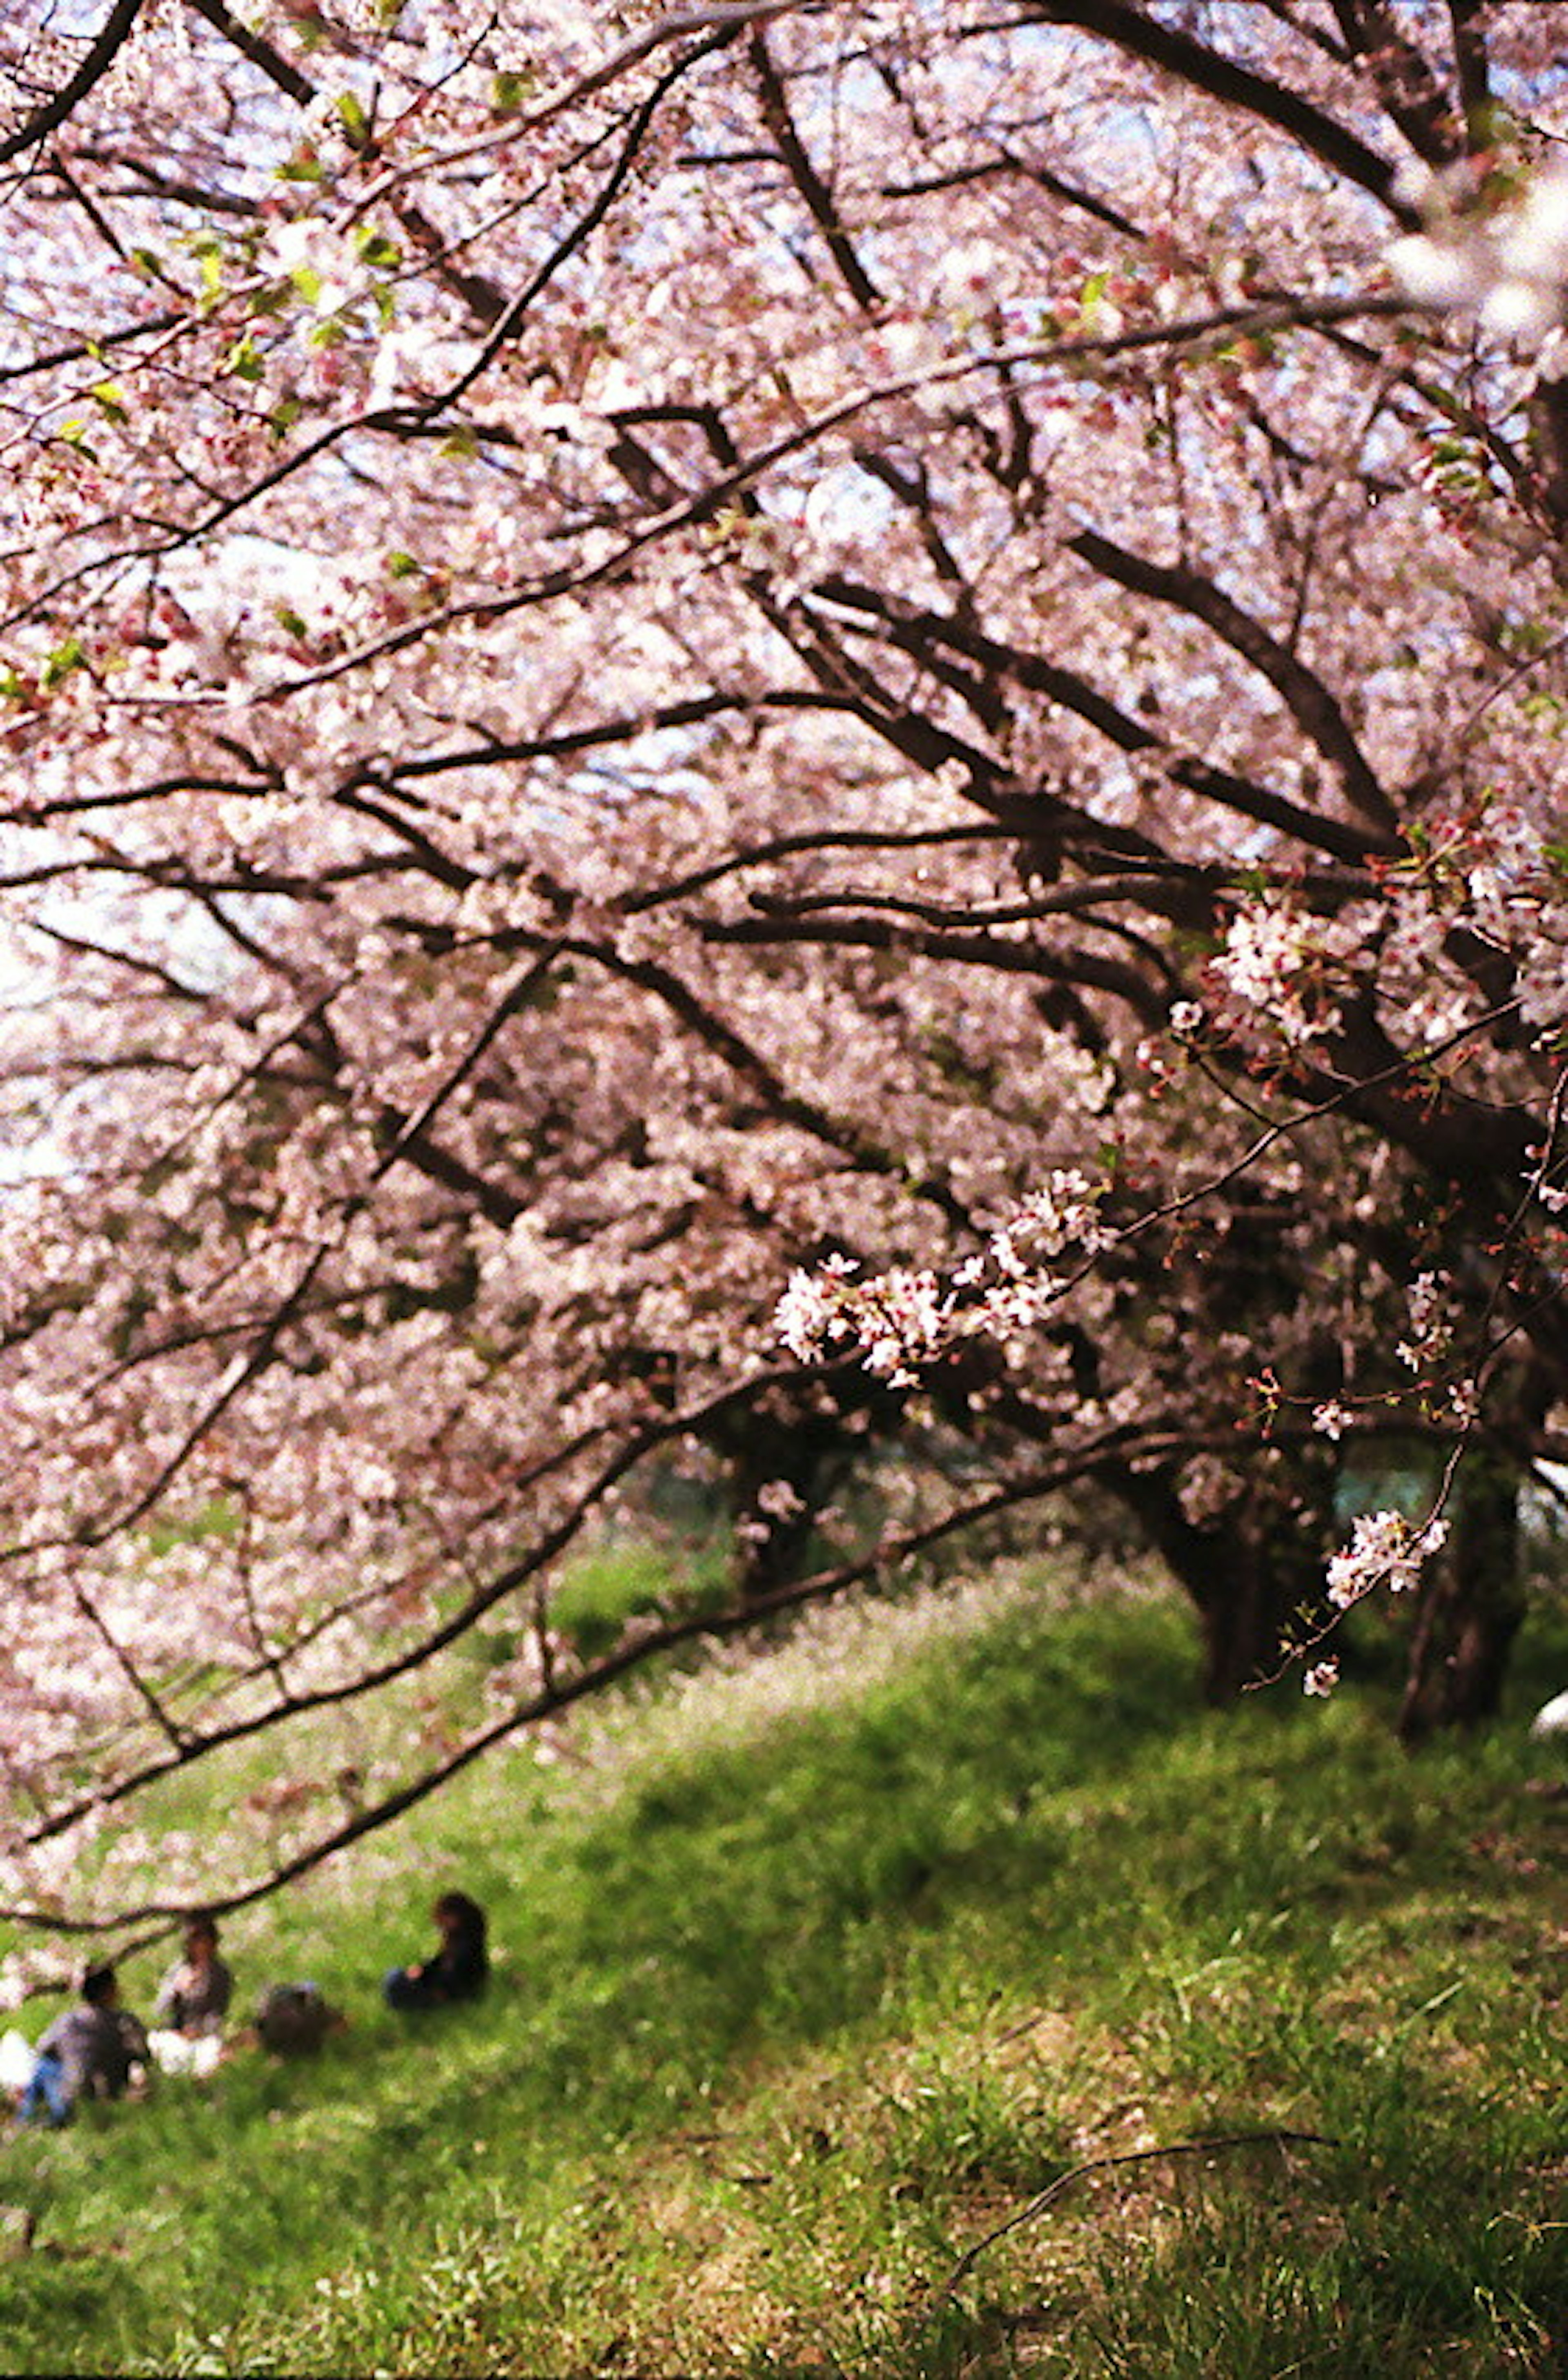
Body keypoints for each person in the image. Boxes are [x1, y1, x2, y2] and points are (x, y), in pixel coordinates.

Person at [17, 1962, 149, 2127]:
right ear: (111, 1991)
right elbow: (144, 2055)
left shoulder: (70, 2022)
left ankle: (26, 2118)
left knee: (45, 2065)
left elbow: (42, 2047)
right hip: (111, 2091)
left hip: (73, 2095)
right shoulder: (126, 2023)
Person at [383, 1890, 488, 2012]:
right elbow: (441, 1960)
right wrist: (423, 1970)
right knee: (395, 1975)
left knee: (395, 1980)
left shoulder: (466, 1948)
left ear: (454, 1918)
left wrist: (430, 1986)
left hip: (448, 1992)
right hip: (441, 1985)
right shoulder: (457, 1938)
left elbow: (454, 1978)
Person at [154, 1913, 233, 2037]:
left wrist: (201, 2031)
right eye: (194, 1941)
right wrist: (177, 1988)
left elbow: (218, 2011)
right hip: (175, 2032)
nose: (199, 1946)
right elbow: (160, 2008)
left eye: (204, 1940)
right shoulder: (178, 1970)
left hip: (205, 2035)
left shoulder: (220, 1973)